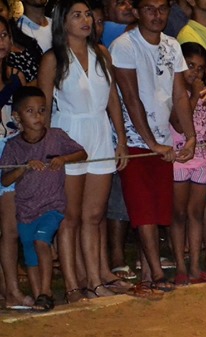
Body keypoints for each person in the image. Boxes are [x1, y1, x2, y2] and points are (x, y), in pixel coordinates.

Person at [38, 0, 130, 301]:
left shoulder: (102, 53)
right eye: (77, 15)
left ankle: (94, 280)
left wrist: (121, 139)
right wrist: (46, 148)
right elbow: (45, 107)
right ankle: (73, 284)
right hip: (69, 136)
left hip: (100, 133)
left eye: (88, 14)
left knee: (94, 215)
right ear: (64, 22)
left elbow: (114, 100)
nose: (85, 20)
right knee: (70, 217)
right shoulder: (53, 59)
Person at [111, 0, 196, 292]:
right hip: (136, 141)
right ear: (136, 11)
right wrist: (150, 143)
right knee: (143, 208)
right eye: (149, 8)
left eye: (162, 8)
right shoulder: (124, 45)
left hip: (164, 138)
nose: (157, 15)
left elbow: (180, 95)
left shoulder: (173, 45)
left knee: (160, 208)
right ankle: (157, 274)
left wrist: (191, 134)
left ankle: (149, 275)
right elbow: (131, 98)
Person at [0, 87, 87, 310]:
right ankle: (39, 295)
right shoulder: (13, 146)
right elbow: (6, 180)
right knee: (30, 252)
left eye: (42, 110)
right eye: (30, 111)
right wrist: (24, 169)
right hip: (26, 210)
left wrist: (63, 158)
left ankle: (46, 292)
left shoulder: (56, 136)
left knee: (42, 242)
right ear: (17, 117)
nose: (38, 116)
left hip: (52, 207)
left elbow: (82, 153)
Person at [0, 15, 40, 308]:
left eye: (4, 35)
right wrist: (11, 86)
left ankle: (10, 290)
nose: (2, 41)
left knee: (10, 229)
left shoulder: (16, 72)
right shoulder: (13, 78)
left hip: (9, 154)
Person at [170, 41, 206, 283]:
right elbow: (178, 121)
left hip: (204, 157)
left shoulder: (205, 91)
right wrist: (196, 95)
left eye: (200, 68)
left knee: (196, 212)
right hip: (179, 158)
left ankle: (195, 266)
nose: (195, 72)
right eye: (190, 66)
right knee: (178, 214)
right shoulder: (175, 92)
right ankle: (180, 266)